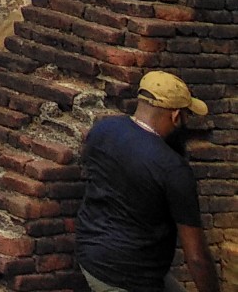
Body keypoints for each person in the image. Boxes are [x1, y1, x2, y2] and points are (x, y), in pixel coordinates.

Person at [75, 71, 219, 292]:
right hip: (128, 277)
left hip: (90, 254)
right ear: (175, 116)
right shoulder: (173, 168)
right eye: (186, 116)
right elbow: (197, 258)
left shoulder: (102, 130)